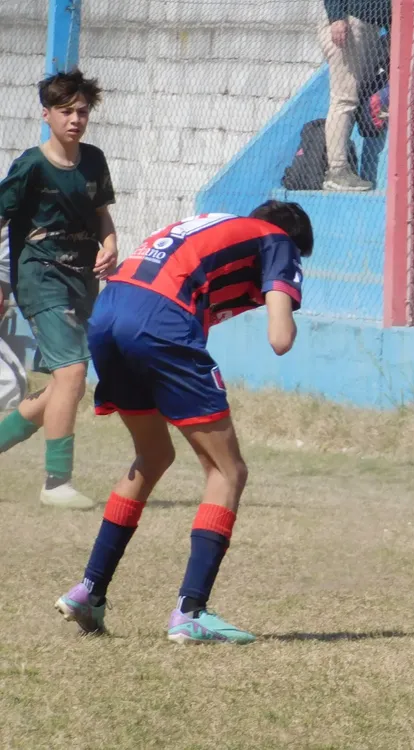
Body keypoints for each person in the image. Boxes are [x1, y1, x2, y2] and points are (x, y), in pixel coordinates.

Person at [54, 202, 313, 644]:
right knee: (227, 470)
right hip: (160, 320)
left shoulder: (211, 225)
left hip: (110, 311)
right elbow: (280, 339)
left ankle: (88, 591)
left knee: (152, 455)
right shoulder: (278, 240)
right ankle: (191, 611)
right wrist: (284, 302)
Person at [0, 69, 117, 510]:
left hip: (82, 280)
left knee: (66, 387)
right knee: (72, 374)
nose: (75, 119)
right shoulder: (30, 165)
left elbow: (102, 214)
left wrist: (110, 245)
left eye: (82, 111)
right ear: (46, 114)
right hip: (40, 276)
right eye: (65, 111)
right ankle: (56, 483)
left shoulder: (94, 161)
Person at [318, 0, 391, 191]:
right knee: (344, 100)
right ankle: (337, 171)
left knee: (354, 96)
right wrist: (336, 18)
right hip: (350, 24)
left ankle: (341, 168)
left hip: (368, 28)